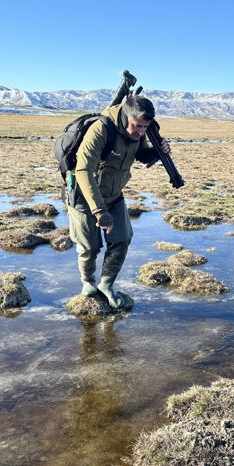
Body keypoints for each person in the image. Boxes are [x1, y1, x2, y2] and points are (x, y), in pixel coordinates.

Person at [67, 94, 170, 308]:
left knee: (122, 238)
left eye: (145, 127)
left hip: (113, 194)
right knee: (89, 247)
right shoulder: (102, 129)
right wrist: (99, 211)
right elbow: (84, 170)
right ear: (126, 117)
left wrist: (157, 152)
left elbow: (140, 154)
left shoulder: (138, 132)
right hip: (84, 196)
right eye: (137, 126)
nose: (141, 132)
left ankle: (106, 284)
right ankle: (87, 283)